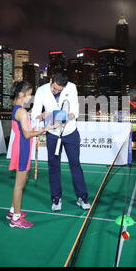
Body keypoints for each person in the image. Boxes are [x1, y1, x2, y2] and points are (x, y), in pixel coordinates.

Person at [31, 72, 91, 212]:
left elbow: (75, 111)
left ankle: (82, 197)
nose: (57, 91)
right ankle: (56, 198)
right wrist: (43, 116)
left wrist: (65, 117)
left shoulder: (72, 87)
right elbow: (35, 115)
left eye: (60, 90)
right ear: (51, 80)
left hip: (70, 132)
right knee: (53, 167)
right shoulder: (41, 90)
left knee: (75, 165)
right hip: (52, 133)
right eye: (55, 88)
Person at [8, 81, 56, 228]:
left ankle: (12, 211)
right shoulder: (21, 111)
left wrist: (40, 117)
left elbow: (25, 126)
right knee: (19, 185)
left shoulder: (18, 109)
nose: (30, 97)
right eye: (29, 94)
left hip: (22, 146)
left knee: (22, 180)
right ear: (22, 94)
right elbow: (28, 134)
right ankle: (16, 219)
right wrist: (45, 129)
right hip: (23, 148)